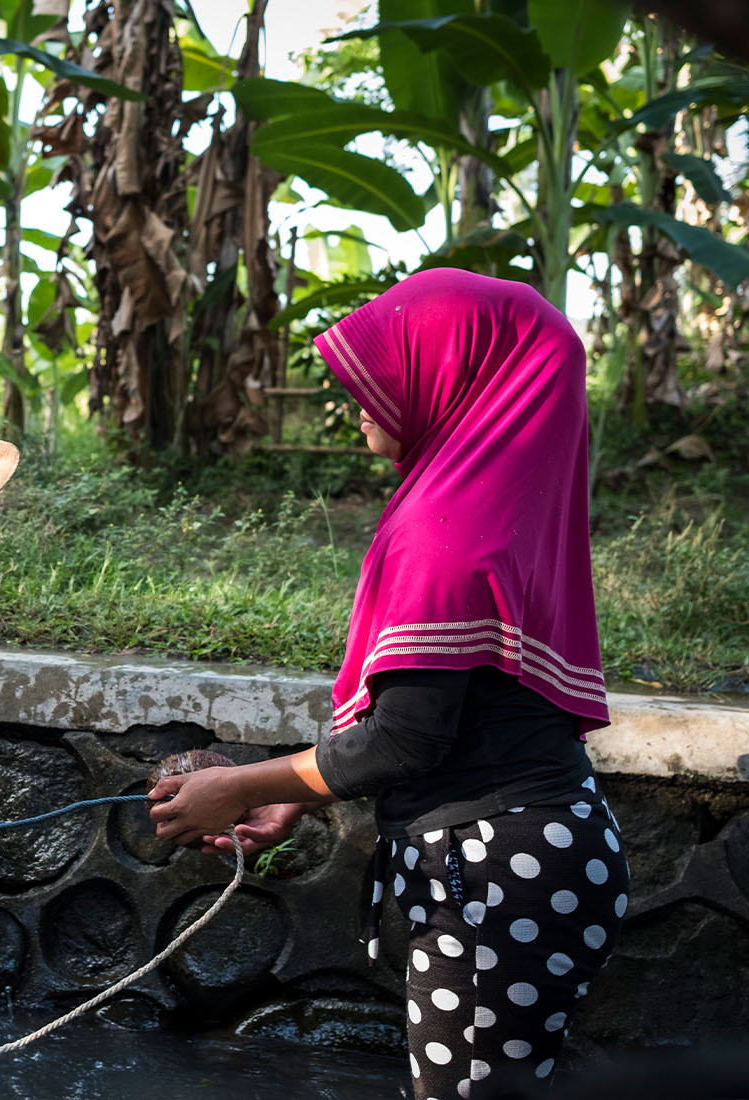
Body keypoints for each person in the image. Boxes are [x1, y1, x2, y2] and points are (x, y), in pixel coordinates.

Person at [149, 268, 631, 1100]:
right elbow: (456, 712)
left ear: (455, 376)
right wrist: (295, 796)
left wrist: (237, 787)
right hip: (532, 856)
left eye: (391, 368)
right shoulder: (492, 511)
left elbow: (407, 738)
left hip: (495, 872)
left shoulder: (448, 533)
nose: (360, 395)